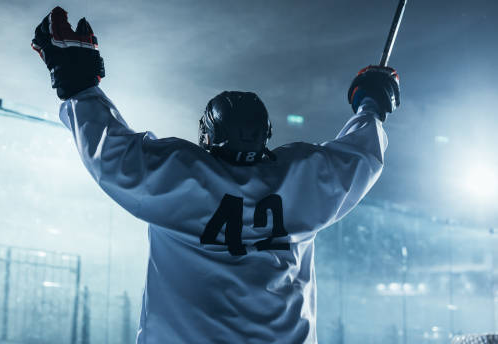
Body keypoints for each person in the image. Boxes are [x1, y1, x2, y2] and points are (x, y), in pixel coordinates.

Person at [32, 7, 400, 344]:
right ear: (265, 133)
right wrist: (372, 103)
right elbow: (362, 154)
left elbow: (110, 154)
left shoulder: (180, 176)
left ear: (207, 135)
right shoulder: (304, 180)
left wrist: (79, 85)